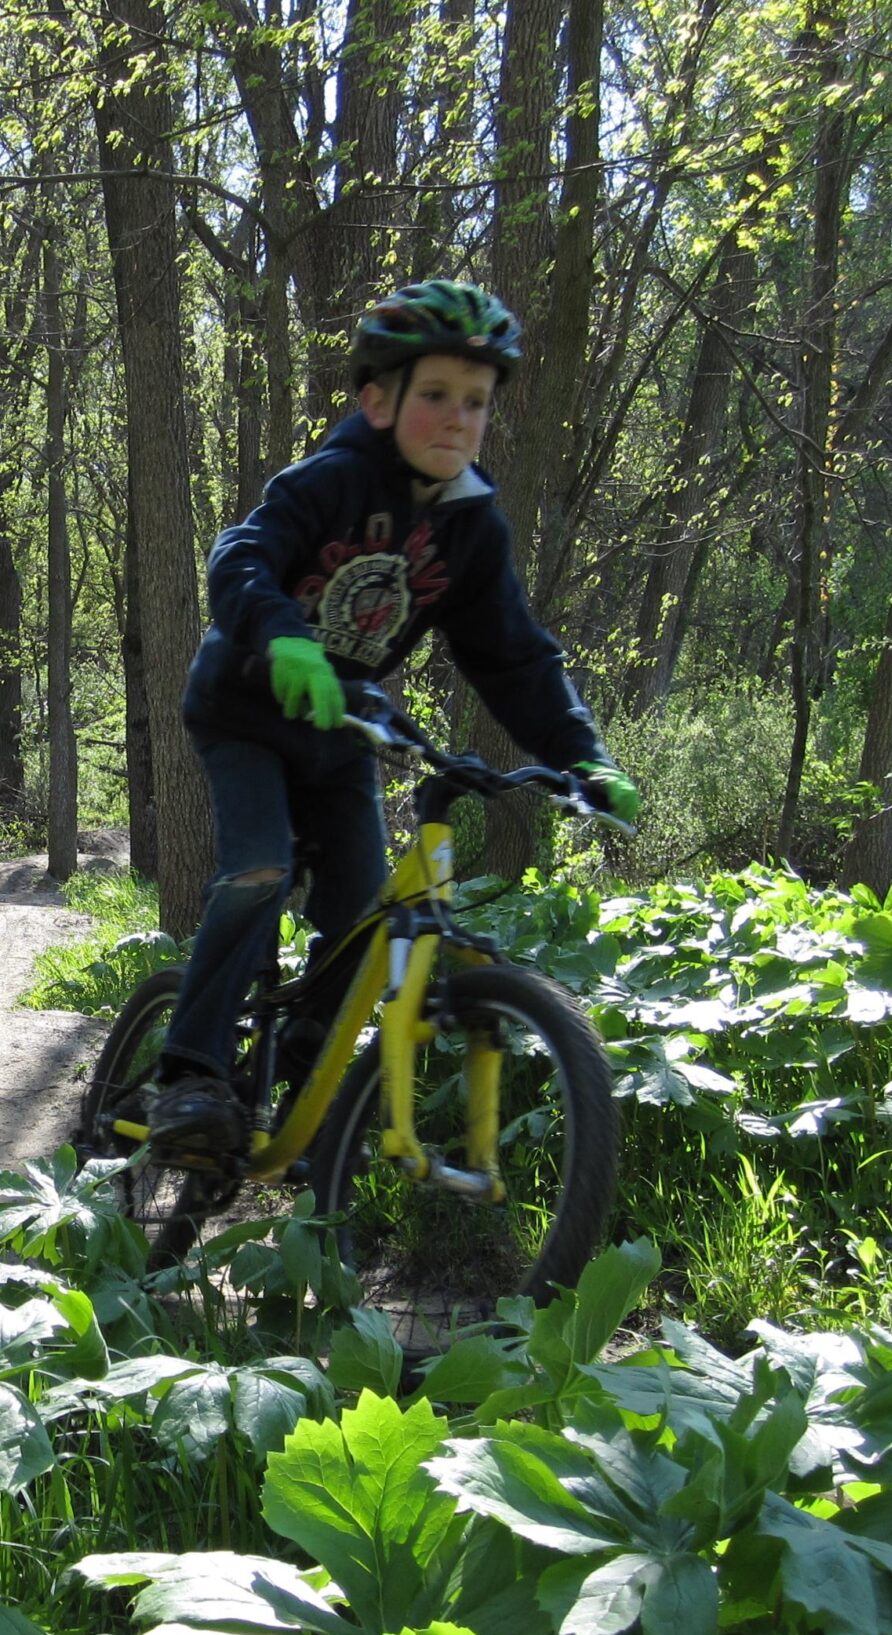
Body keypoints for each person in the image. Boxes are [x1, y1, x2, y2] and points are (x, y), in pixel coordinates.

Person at [145, 278, 640, 1155]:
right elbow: (242, 555)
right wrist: (282, 638)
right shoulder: (329, 481)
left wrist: (583, 754)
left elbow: (515, 657)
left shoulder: (472, 531)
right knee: (258, 872)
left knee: (362, 915)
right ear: (378, 400)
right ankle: (189, 1071)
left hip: (343, 738)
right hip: (245, 715)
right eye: (437, 396)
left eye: (477, 403)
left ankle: (308, 1060)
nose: (458, 418)